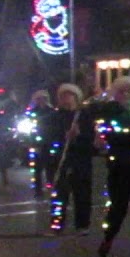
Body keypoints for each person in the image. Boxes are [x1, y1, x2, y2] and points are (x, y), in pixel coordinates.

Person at [95, 75, 130, 257]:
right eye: (123, 91)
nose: (127, 95)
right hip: (120, 167)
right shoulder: (110, 114)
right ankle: (108, 238)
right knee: (118, 207)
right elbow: (106, 137)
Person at [41, 83, 94, 235]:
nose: (66, 99)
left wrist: (79, 135)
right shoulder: (54, 117)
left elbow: (91, 139)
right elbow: (47, 136)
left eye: (70, 96)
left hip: (80, 159)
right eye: (63, 96)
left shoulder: (84, 116)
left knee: (82, 194)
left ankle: (82, 225)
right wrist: (63, 137)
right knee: (59, 194)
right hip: (60, 160)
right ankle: (57, 225)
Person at [24, 89, 55, 197]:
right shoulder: (32, 112)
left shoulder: (51, 111)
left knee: (50, 167)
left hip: (49, 142)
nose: (41, 101)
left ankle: (51, 186)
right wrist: (31, 142)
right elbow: (29, 129)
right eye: (39, 99)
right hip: (36, 143)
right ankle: (38, 190)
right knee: (37, 168)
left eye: (43, 99)